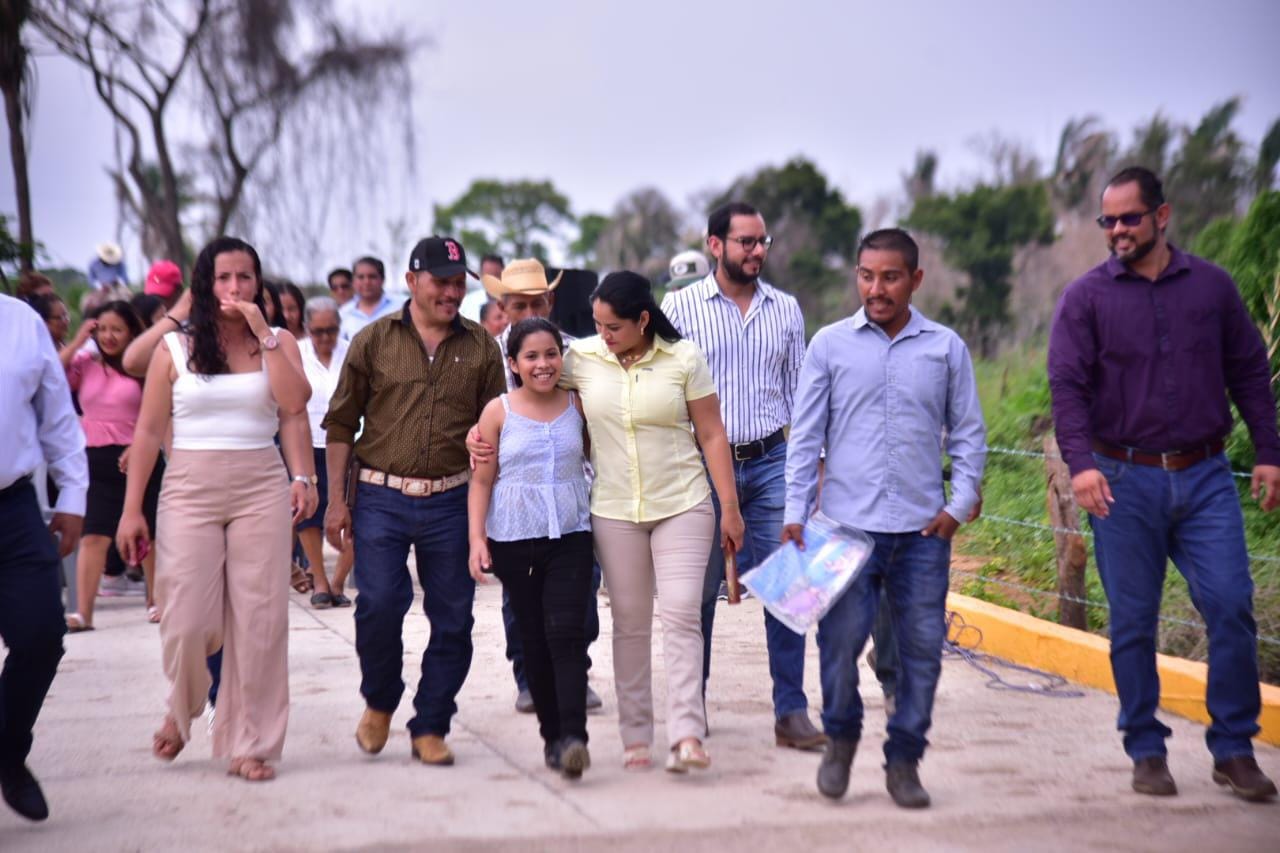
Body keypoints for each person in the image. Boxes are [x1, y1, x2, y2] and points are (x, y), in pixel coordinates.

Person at [1048, 166, 1280, 803]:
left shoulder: (1211, 287)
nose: (1118, 230)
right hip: (1121, 479)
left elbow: (1250, 371)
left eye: (1129, 217)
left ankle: (1233, 749)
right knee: (1133, 621)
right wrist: (1083, 465)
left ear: (1162, 215)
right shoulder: (1085, 299)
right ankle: (1146, 749)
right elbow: (1067, 389)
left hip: (1205, 476)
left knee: (1231, 603)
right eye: (1109, 220)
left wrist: (1269, 451)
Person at [784, 228, 986, 808]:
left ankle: (904, 761)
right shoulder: (828, 345)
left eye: (890, 277)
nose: (877, 288)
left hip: (923, 535)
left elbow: (969, 432)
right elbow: (806, 437)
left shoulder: (945, 348)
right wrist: (796, 511)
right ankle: (841, 739)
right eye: (867, 276)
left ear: (915, 280)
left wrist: (956, 506)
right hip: (845, 529)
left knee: (922, 651)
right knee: (838, 645)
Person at [116, 236, 316, 783]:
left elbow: (295, 407)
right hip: (188, 487)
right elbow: (149, 429)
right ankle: (182, 708)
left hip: (260, 486)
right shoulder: (174, 347)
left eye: (245, 277)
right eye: (223, 278)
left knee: (260, 622)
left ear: (258, 282)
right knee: (186, 618)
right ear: (204, 285)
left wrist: (304, 477)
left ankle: (251, 743)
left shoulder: (278, 342)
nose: (234, 288)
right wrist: (132, 509)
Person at [323, 235, 505, 767]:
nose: (451, 293)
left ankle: (431, 722)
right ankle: (379, 699)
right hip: (380, 496)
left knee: (453, 618)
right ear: (411, 281)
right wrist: (337, 502)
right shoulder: (373, 340)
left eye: (458, 284)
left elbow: (497, 426)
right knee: (378, 603)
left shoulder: (480, 346)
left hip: (452, 499)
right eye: (441, 282)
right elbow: (339, 423)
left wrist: (487, 514)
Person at [565, 271, 744, 773]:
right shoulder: (580, 359)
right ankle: (636, 737)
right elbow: (530, 388)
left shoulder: (683, 358)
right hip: (614, 510)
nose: (604, 335)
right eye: (598, 324)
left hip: (683, 502)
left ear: (643, 320)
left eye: (614, 327)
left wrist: (729, 507)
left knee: (684, 612)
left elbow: (711, 433)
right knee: (629, 623)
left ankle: (687, 734)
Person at [661, 202, 819, 750]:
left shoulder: (787, 309)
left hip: (773, 461)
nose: (756, 252)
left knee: (786, 588)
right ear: (715, 245)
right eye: (745, 242)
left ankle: (791, 713)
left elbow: (802, 394)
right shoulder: (678, 308)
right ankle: (692, 710)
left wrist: (812, 466)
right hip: (702, 465)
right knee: (698, 590)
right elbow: (667, 392)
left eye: (762, 242)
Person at [468, 317, 595, 778]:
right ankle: (552, 738)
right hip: (514, 540)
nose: (543, 364)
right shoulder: (497, 411)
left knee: (567, 634)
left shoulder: (578, 403)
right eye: (531, 356)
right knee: (534, 641)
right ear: (514, 364)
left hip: (571, 533)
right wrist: (476, 538)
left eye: (551, 354)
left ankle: (576, 737)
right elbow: (481, 479)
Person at [478, 258, 605, 715]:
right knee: (522, 597)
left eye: (536, 301)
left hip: (573, 491)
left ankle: (576, 672)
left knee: (580, 590)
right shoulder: (484, 354)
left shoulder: (577, 353)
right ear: (501, 305)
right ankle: (529, 679)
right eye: (518, 303)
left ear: (550, 301)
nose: (528, 309)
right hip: (513, 495)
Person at [0, 293, 87, 822]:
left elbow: (57, 417)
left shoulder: (20, 321)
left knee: (40, 635)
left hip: (12, 509)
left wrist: (73, 497)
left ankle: (9, 752)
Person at [59, 301, 163, 630]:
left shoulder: (145, 366)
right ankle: (83, 613)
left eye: (116, 328)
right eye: (102, 329)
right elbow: (51, 374)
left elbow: (159, 413)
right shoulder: (85, 363)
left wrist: (139, 446)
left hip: (138, 456)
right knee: (93, 536)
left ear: (132, 331)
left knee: (149, 535)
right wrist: (78, 341)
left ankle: (157, 600)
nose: (108, 336)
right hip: (95, 458)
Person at [297, 296, 353, 607]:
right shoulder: (297, 353)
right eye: (318, 331)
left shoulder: (352, 352)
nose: (325, 338)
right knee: (309, 515)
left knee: (355, 513)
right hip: (309, 444)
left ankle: (338, 581)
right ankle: (319, 578)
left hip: (348, 444)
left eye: (330, 330)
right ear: (307, 328)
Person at [339, 256, 399, 339]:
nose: (366, 282)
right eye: (361, 277)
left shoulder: (401, 306)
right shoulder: (344, 313)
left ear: (382, 279)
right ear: (353, 281)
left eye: (372, 277)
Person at [460, 253, 503, 323]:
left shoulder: (513, 303)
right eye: (488, 275)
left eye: (496, 275)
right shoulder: (466, 304)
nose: (492, 280)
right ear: (480, 275)